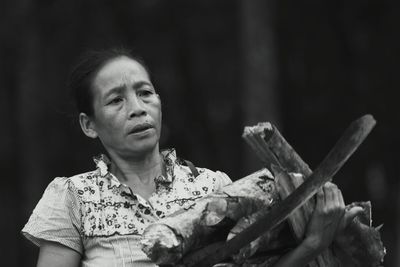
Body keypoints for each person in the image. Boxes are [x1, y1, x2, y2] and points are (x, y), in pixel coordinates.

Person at [22, 48, 362, 267]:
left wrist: (315, 243)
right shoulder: (72, 197)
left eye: (145, 93)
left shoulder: (216, 189)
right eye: (116, 101)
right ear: (88, 124)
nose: (137, 109)